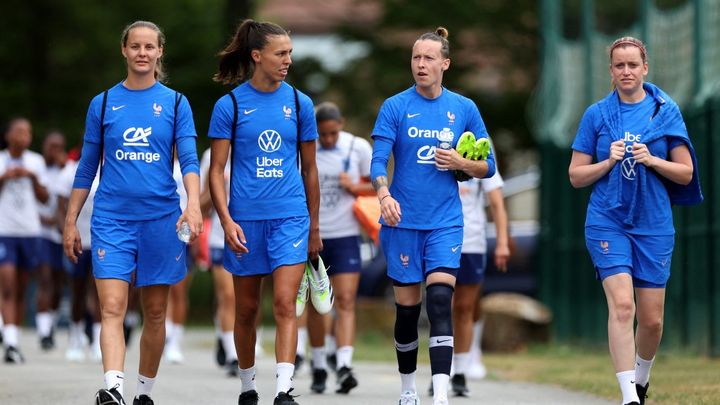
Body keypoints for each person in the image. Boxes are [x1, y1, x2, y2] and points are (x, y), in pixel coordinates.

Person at [63, 20, 202, 405]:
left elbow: (190, 159)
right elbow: (87, 167)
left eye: (149, 47)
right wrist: (71, 220)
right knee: (111, 307)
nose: (142, 53)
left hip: (161, 221)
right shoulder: (104, 103)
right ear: (123, 51)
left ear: (160, 53)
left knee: (155, 313)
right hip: (111, 220)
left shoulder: (175, 103)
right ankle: (114, 387)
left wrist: (192, 204)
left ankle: (143, 392)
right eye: (135, 46)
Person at [568, 36, 701, 405]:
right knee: (623, 306)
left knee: (652, 319)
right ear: (611, 72)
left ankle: (641, 379)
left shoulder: (666, 112)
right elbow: (576, 176)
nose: (626, 71)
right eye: (619, 66)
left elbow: (686, 173)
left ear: (645, 68)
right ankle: (629, 397)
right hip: (607, 220)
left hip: (654, 222)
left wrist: (653, 160)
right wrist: (607, 161)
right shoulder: (596, 115)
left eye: (632, 65)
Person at [370, 27, 496, 405]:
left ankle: (440, 392)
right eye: (415, 57)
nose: (420, 64)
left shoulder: (464, 108)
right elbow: (378, 159)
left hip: (445, 222)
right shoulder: (394, 106)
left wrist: (462, 162)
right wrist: (383, 192)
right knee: (408, 311)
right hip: (402, 222)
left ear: (445, 63)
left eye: (428, 58)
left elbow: (488, 166)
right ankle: (408, 389)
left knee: (441, 301)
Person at [208, 19, 322, 405]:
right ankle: (247, 385)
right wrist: (225, 220)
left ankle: (284, 390)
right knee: (247, 310)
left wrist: (314, 226)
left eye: (290, 53)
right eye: (281, 53)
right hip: (244, 221)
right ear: (257, 56)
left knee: (285, 303)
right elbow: (216, 171)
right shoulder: (231, 105)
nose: (288, 60)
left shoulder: (299, 103)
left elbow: (310, 170)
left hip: (290, 217)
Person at [305, 101, 373, 394]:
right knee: (317, 305)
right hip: (314, 236)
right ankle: (319, 364)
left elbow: (379, 185)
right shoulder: (306, 147)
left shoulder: (357, 148)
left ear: (342, 124)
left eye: (333, 133)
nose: (328, 139)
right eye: (323, 135)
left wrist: (355, 187)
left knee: (345, 300)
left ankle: (344, 364)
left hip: (346, 235)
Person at [444, 174, 509, 396]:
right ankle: (442, 370)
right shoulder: (434, 140)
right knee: (441, 305)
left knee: (465, 307)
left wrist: (502, 242)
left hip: (473, 241)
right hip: (440, 238)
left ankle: (461, 371)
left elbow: (497, 201)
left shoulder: (482, 143)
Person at [0, 117, 49, 363]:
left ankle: (13, 340)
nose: (24, 136)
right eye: (18, 131)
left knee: (20, 288)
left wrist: (31, 178)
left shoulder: (36, 161)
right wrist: (4, 177)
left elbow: (44, 198)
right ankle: (8, 342)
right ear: (8, 135)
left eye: (28, 132)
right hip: (4, 230)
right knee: (6, 284)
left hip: (30, 230)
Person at [35, 130, 69, 351]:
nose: (55, 151)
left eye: (59, 147)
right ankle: (43, 330)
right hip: (39, 231)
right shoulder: (37, 167)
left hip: (60, 232)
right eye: (51, 146)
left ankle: (51, 324)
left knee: (58, 284)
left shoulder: (67, 170)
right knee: (45, 280)